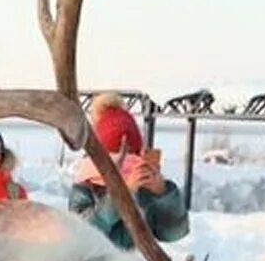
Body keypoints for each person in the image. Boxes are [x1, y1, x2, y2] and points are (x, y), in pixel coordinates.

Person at [69, 92, 189, 249]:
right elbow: (81, 234)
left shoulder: (145, 189)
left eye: (133, 158)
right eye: (121, 158)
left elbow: (175, 233)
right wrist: (122, 194)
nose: (129, 166)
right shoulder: (86, 187)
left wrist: (163, 194)